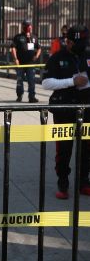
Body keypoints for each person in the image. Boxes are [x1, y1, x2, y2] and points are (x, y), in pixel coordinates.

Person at [42, 25, 90, 199]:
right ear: (68, 41)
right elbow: (46, 83)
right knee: (64, 148)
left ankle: (84, 182)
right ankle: (63, 183)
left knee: (86, 148)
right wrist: (72, 81)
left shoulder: (87, 56)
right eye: (77, 42)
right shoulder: (57, 58)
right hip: (64, 109)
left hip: (86, 109)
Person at [10, 19, 42, 103]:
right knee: (19, 80)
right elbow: (13, 48)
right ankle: (19, 95)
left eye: (29, 25)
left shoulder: (34, 37)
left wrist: (36, 56)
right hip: (20, 63)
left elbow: (39, 48)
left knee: (31, 81)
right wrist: (15, 59)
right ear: (23, 26)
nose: (28, 27)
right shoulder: (18, 37)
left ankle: (32, 97)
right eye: (26, 25)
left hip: (30, 63)